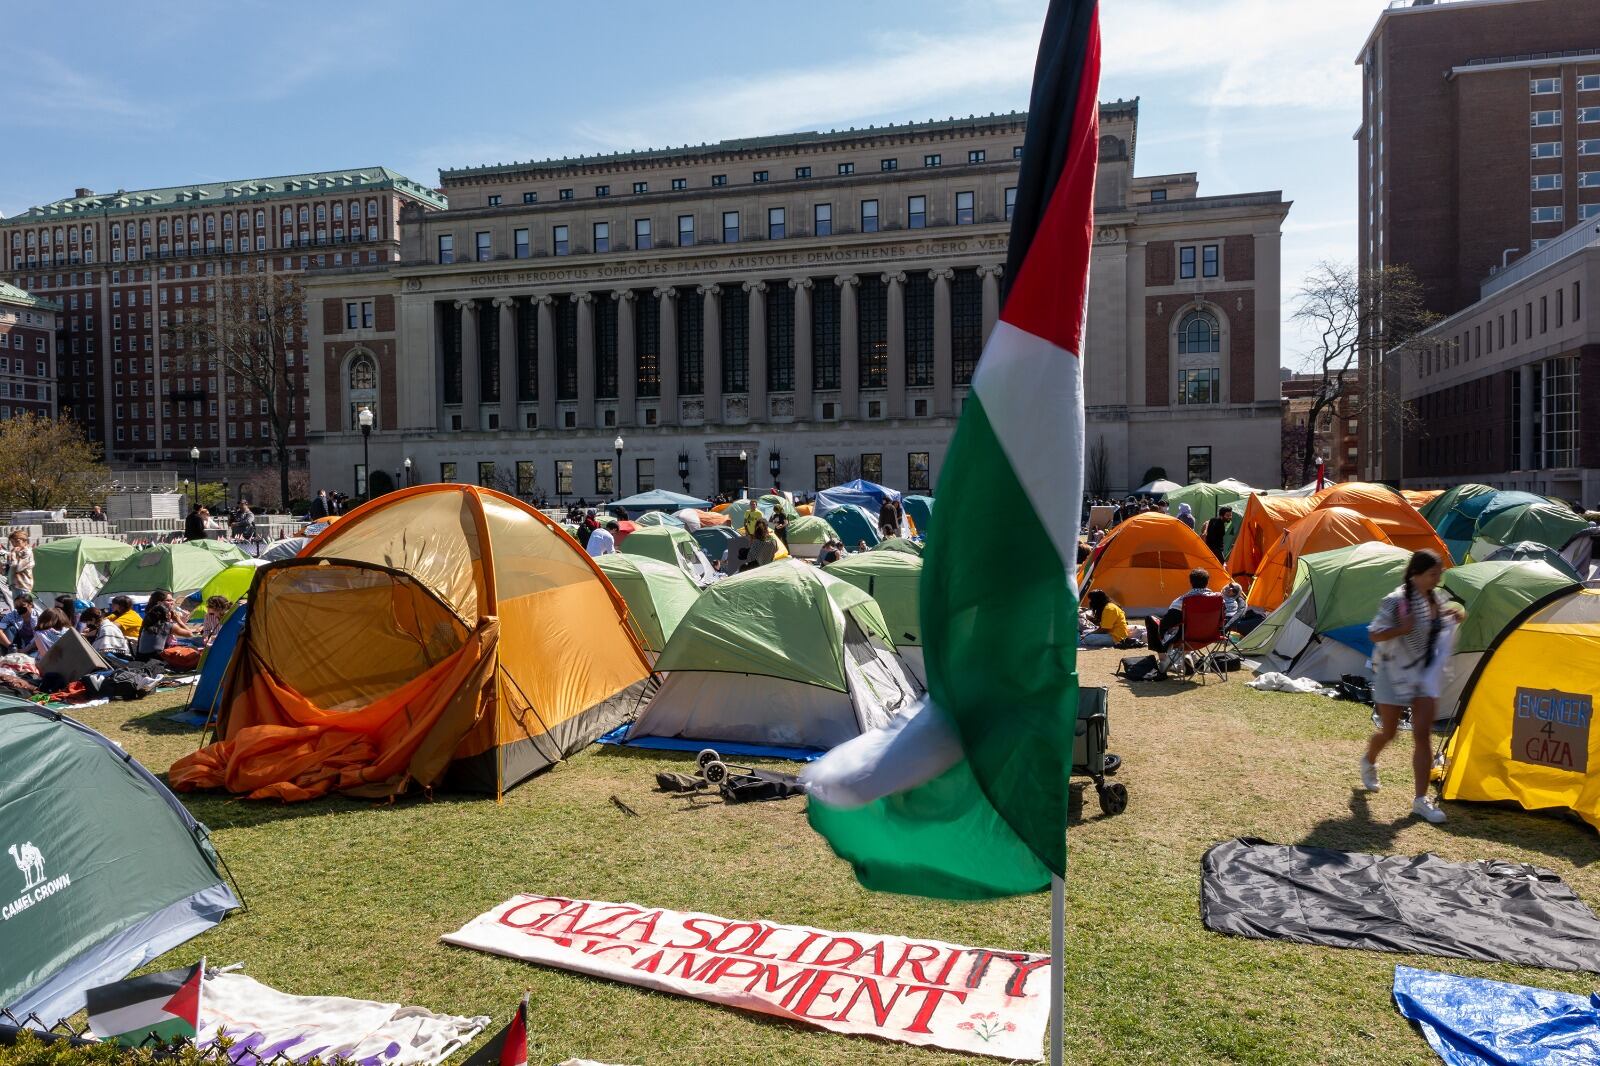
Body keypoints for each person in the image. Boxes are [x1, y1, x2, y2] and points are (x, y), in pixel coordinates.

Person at [1360, 549, 1464, 824]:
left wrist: (1450, 617)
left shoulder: (1437, 599)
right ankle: (1369, 760)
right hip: (1393, 671)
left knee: (1422, 735)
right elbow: (1373, 633)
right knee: (1390, 732)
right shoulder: (1395, 601)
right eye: (1433, 574)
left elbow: (1433, 628)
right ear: (1416, 574)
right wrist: (1401, 629)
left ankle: (1421, 799)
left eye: (1439, 573)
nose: (1437, 578)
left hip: (1424, 674)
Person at [1144, 568, 1216, 653]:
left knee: (1151, 620)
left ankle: (1163, 659)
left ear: (1191, 582)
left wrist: (1162, 630)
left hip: (1186, 638)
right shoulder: (1218, 599)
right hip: (1210, 636)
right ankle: (1188, 655)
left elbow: (1167, 622)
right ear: (1207, 582)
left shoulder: (1182, 601)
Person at [135, 589, 195, 661]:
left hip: (141, 656)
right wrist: (179, 621)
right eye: (168, 600)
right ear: (159, 603)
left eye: (172, 600)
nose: (172, 603)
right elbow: (190, 634)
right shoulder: (166, 624)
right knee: (192, 650)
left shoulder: (149, 618)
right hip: (157, 658)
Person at [6, 530, 35, 600]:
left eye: (17, 541)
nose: (14, 544)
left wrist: (12, 554)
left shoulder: (27, 552)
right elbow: (8, 568)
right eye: (12, 542)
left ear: (25, 540)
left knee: (22, 606)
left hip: (23, 584)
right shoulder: (17, 552)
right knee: (17, 607)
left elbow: (18, 567)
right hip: (15, 584)